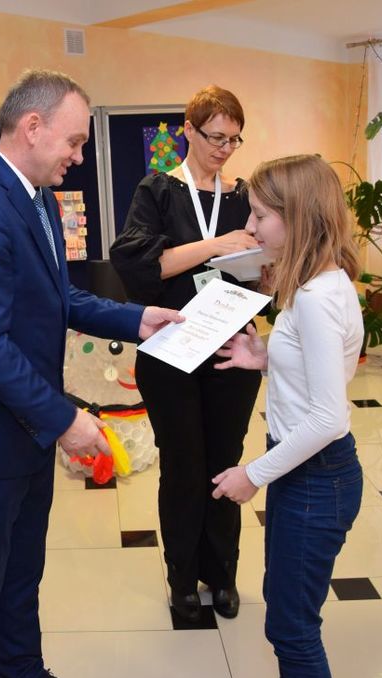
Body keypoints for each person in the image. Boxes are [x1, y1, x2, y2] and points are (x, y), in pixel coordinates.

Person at [0, 69, 182, 678]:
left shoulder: (37, 197)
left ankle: (25, 671)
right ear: (32, 127)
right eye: (73, 142)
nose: (79, 156)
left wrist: (137, 318)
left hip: (27, 432)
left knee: (22, 576)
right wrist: (65, 418)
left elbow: (59, 297)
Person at [109, 85, 261, 622]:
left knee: (224, 463)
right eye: (215, 137)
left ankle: (222, 574)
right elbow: (138, 265)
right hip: (171, 351)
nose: (224, 149)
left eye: (234, 140)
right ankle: (181, 578)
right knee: (182, 466)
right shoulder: (157, 190)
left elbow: (265, 264)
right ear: (188, 132)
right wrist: (216, 246)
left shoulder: (244, 196)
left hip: (230, 352)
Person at [212, 154, 363, 678]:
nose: (250, 227)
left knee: (292, 630)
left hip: (317, 477)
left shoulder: (317, 298)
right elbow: (319, 366)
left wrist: (253, 474)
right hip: (306, 472)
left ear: (297, 216)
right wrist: (266, 357)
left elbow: (328, 418)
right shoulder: (320, 285)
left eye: (259, 215)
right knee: (286, 614)